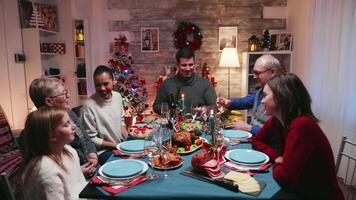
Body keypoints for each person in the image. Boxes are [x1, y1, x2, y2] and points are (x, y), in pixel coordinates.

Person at [252, 73, 344, 199]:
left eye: (265, 95)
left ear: (281, 97)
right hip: (300, 190)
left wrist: (278, 164)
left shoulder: (302, 126)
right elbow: (256, 140)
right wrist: (277, 157)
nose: (262, 101)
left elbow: (284, 178)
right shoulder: (278, 120)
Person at [29, 77, 98, 177]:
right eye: (63, 94)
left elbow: (86, 138)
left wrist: (93, 155)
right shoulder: (40, 130)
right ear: (49, 101)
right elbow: (50, 171)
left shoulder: (69, 113)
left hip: (89, 168)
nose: (68, 96)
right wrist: (78, 172)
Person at [20, 106, 87, 200]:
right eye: (66, 124)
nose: (74, 126)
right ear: (52, 135)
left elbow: (81, 185)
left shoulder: (69, 151)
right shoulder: (46, 172)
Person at [217, 55, 282, 134]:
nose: (254, 77)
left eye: (257, 73)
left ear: (272, 72)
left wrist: (249, 128)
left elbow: (277, 134)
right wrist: (228, 102)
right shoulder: (261, 91)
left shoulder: (283, 96)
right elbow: (245, 101)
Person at [81, 65, 128, 164]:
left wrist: (128, 140)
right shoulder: (88, 106)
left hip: (119, 145)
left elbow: (121, 122)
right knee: (127, 163)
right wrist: (116, 145)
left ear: (113, 81)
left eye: (106, 83)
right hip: (102, 151)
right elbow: (91, 139)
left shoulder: (117, 96)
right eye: (98, 85)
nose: (102, 88)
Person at [153, 47, 217, 114]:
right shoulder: (167, 84)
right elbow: (156, 106)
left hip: (199, 122)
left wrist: (206, 109)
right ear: (177, 65)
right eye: (184, 65)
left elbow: (214, 106)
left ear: (194, 64)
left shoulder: (205, 84)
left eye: (190, 65)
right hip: (175, 122)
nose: (188, 69)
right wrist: (170, 110)